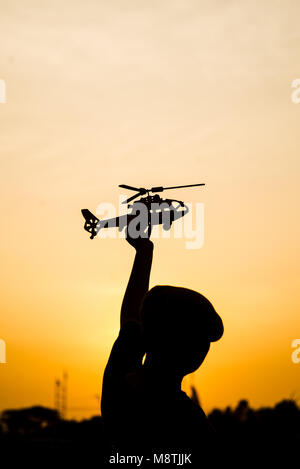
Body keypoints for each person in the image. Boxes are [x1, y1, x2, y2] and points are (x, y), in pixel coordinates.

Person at [101, 233, 224, 465]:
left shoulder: (119, 385)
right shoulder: (188, 421)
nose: (204, 349)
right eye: (201, 340)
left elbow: (130, 321)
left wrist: (144, 252)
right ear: (189, 351)